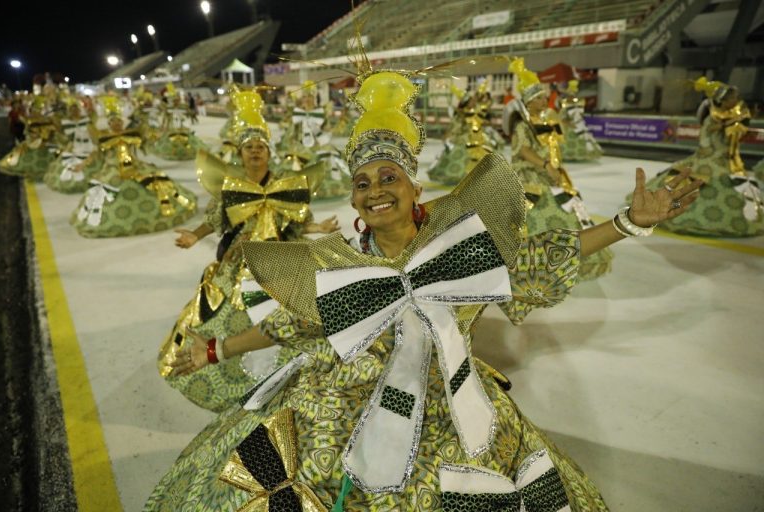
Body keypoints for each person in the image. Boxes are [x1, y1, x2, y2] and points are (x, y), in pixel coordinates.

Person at [144, 69, 700, 512]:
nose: (374, 191)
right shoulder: (344, 262)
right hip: (342, 397)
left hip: (450, 401)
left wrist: (629, 224)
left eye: (389, 178)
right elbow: (290, 324)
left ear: (413, 186)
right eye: (362, 183)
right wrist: (213, 348)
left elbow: (535, 261)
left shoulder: (456, 250)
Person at [162, 88, 339, 412]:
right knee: (227, 305)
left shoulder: (284, 184)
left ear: (269, 153)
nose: (255, 152)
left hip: (282, 256)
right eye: (249, 148)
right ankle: (223, 365)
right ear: (240, 154)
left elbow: (297, 222)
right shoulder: (232, 187)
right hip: (239, 260)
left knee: (300, 308)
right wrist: (195, 237)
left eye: (260, 147)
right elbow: (214, 219)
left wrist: (318, 229)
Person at [505, 58, 613, 280]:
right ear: (529, 102)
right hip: (528, 175)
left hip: (550, 173)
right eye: (540, 98)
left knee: (568, 207)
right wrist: (545, 165)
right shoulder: (521, 126)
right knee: (541, 210)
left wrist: (554, 166)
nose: (545, 101)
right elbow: (524, 151)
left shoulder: (547, 122)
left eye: (545, 97)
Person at [628, 77, 763, 237]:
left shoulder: (730, 118)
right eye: (732, 98)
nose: (735, 101)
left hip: (726, 159)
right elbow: (706, 145)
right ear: (722, 101)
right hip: (710, 159)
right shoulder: (711, 121)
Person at [70, 94, 197, 237]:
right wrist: (82, 165)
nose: (117, 124)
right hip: (113, 169)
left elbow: (147, 139)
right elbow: (95, 154)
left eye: (119, 122)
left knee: (157, 179)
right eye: (113, 122)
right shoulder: (104, 138)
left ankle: (169, 205)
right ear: (109, 124)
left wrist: (158, 134)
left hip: (135, 166)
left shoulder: (132, 135)